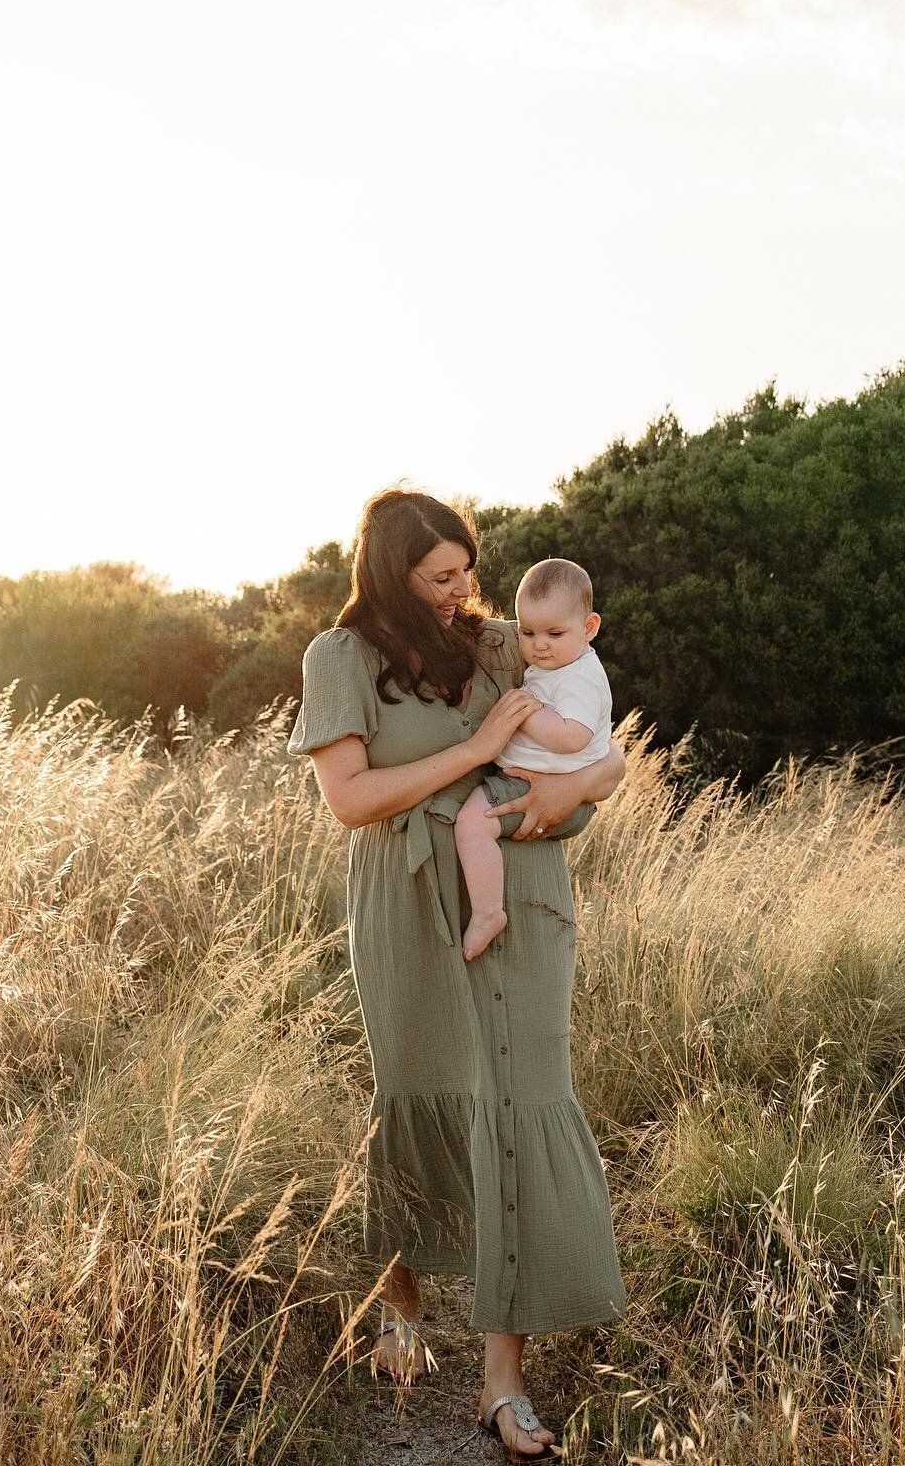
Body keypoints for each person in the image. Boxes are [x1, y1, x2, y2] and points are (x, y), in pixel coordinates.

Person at [288, 489, 627, 1460]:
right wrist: (476, 752)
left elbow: (604, 747)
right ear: (392, 573)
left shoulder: (493, 645)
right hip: (403, 901)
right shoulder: (340, 659)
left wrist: (571, 786)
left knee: (519, 1106)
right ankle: (402, 1312)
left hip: (521, 892)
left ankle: (501, 1387)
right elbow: (349, 800)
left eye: (468, 572)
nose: (463, 591)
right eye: (442, 577)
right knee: (417, 1096)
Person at [453, 559, 612, 964]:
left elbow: (572, 736)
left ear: (589, 628)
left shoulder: (579, 678)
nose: (539, 645)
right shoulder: (561, 664)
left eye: (554, 633)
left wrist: (526, 711)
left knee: (472, 824)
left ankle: (488, 912)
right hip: (537, 772)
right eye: (527, 632)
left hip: (537, 778)